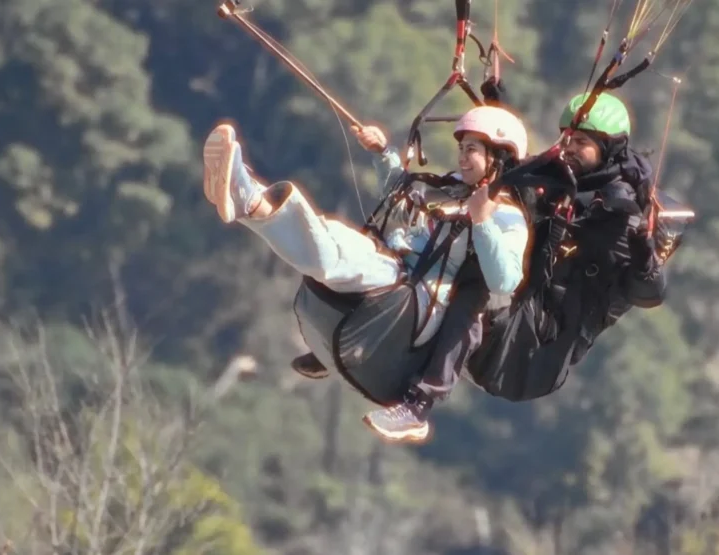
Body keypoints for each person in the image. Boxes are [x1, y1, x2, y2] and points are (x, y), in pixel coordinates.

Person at [201, 106, 531, 442]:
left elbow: (505, 280)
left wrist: (482, 221)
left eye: (471, 150)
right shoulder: (450, 187)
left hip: (418, 304)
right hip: (394, 274)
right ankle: (250, 197)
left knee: (334, 254)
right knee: (332, 238)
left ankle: (248, 197)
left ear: (499, 158)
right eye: (461, 149)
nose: (461, 158)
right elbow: (402, 197)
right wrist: (381, 152)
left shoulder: (506, 216)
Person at [463, 85, 686, 401]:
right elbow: (519, 171)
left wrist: (642, 250)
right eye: (565, 138)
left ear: (609, 148)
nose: (568, 147)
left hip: (534, 348)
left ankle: (419, 395)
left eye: (581, 142)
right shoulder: (559, 179)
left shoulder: (620, 213)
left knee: (467, 284)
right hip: (516, 314)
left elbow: (651, 294)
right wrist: (500, 109)